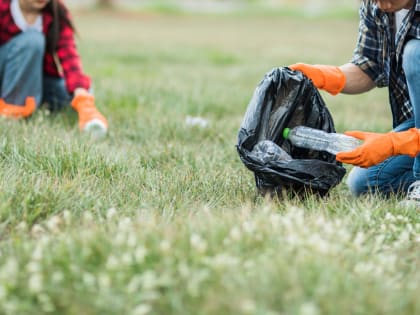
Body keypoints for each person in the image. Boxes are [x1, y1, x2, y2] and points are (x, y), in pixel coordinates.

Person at [289, 0, 420, 206]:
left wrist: (401, 143)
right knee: (368, 182)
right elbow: (369, 66)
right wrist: (326, 76)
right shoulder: (375, 5)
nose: (382, 5)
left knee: (416, 53)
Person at [0, 0, 108, 136]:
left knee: (82, 91)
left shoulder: (56, 12)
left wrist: (81, 94)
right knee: (33, 40)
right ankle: (12, 110)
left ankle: (32, 101)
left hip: (36, 78)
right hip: (4, 77)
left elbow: (69, 56)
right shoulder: (3, 8)